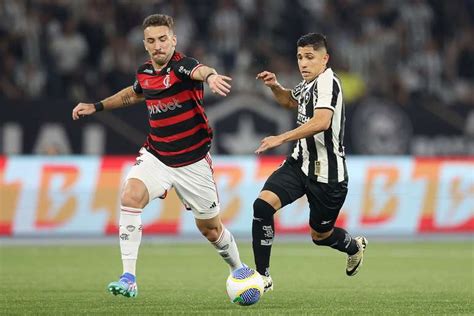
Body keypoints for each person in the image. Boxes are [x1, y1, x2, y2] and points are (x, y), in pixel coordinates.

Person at [72, 14, 244, 298]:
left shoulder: (182, 67)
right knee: (130, 195)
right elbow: (135, 93)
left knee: (211, 230)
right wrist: (96, 106)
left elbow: (201, 70)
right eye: (151, 41)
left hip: (193, 162)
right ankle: (129, 277)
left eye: (163, 39)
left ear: (173, 40)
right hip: (158, 156)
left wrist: (211, 76)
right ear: (145, 44)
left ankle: (238, 268)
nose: (158, 46)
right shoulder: (145, 73)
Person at [253, 33, 367, 292]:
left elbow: (321, 122)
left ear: (324, 59)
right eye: (299, 57)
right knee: (262, 206)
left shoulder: (328, 83)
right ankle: (262, 277)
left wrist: (280, 138)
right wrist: (275, 86)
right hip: (299, 163)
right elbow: (289, 102)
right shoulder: (308, 83)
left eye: (309, 57)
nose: (303, 63)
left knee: (320, 236)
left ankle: (353, 246)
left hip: (328, 174)